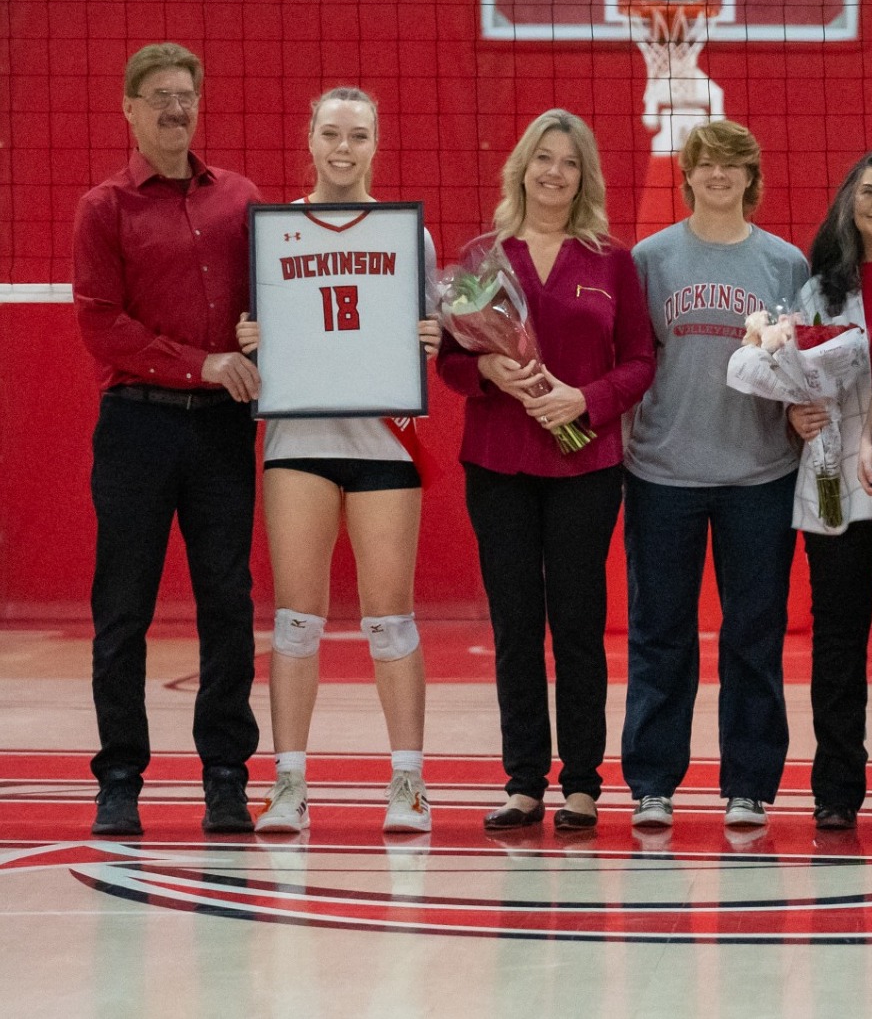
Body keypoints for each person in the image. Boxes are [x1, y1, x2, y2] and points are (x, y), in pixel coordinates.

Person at [438, 109, 656, 831]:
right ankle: (524, 778)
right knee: (514, 621)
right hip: (498, 462)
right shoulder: (480, 259)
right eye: (543, 158)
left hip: (586, 465)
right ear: (522, 167)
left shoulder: (611, 261)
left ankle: (584, 782)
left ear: (583, 177)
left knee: (578, 622)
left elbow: (639, 363)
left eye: (569, 162)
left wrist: (582, 401)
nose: (554, 172)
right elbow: (451, 361)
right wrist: (490, 369)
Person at [239, 87, 445, 834]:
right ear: (310, 137)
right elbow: (255, 327)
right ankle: (288, 783)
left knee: (391, 620)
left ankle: (409, 784)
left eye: (358, 135)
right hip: (298, 443)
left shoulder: (405, 236)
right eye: (331, 132)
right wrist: (248, 338)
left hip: (382, 442)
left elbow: (425, 330)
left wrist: (431, 339)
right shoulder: (272, 231)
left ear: (376, 144)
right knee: (295, 621)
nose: (343, 147)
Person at [726, 152, 872, 829]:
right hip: (834, 480)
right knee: (838, 642)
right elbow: (788, 367)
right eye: (868, 193)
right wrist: (794, 409)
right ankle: (836, 790)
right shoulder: (818, 289)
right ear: (848, 203)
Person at [74, 43, 263, 836]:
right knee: (123, 609)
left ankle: (225, 774)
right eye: (158, 96)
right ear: (128, 108)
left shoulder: (242, 200)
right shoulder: (104, 207)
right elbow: (101, 326)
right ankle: (119, 776)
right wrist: (205, 363)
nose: (174, 108)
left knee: (229, 602)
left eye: (186, 93)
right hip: (138, 426)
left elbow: (283, 294)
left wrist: (264, 336)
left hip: (222, 431)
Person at [624, 120, 810, 830]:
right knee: (660, 633)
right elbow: (637, 363)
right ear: (690, 174)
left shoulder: (785, 264)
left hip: (759, 473)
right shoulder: (652, 258)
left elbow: (800, 367)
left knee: (753, 635)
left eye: (735, 165)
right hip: (663, 471)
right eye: (708, 164)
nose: (720, 176)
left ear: (750, 177)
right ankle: (652, 783)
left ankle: (749, 785)